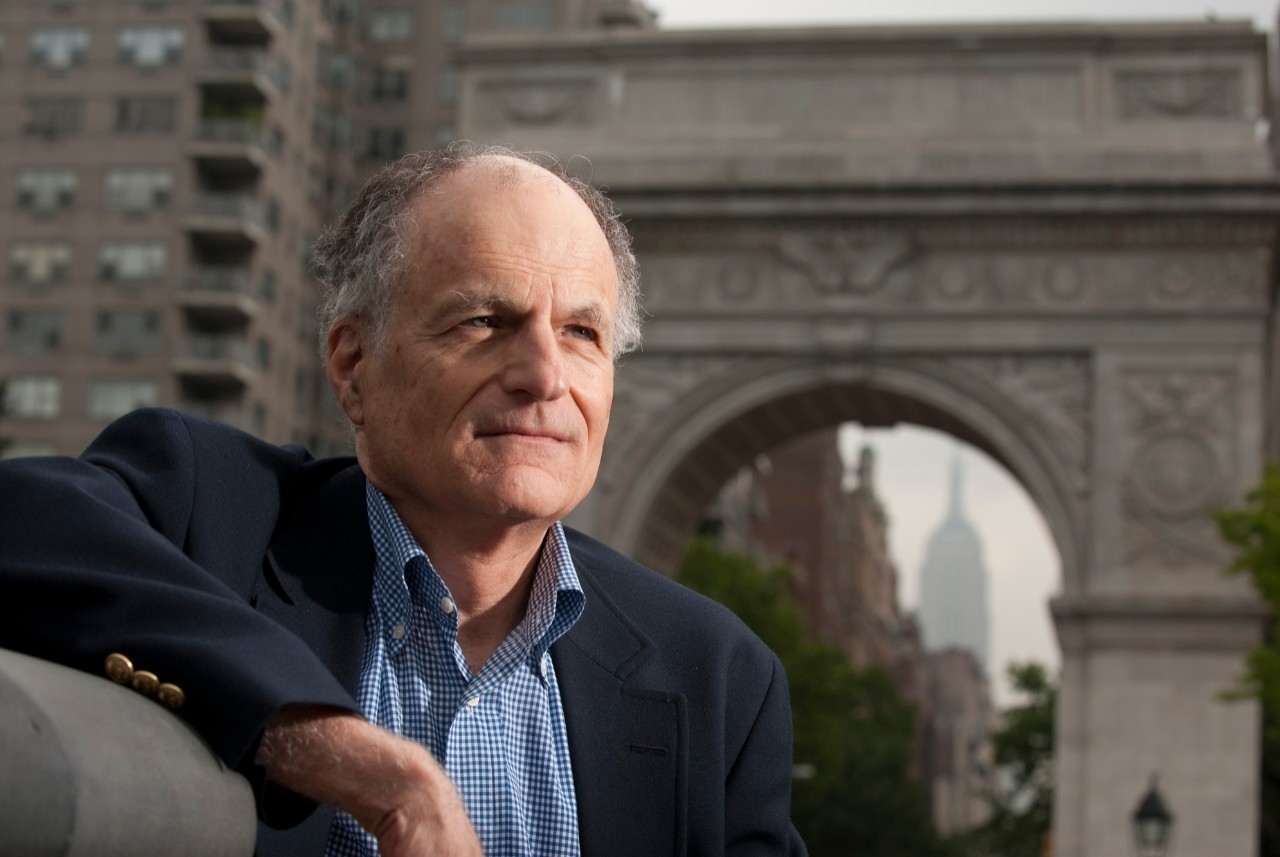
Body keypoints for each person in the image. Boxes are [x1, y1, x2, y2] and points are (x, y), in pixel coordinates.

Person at [0, 145, 806, 857]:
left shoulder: (720, 680)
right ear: (353, 365)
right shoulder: (209, 512)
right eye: (484, 321)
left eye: (581, 334)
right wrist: (346, 756)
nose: (544, 375)